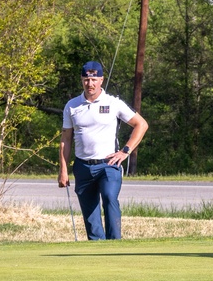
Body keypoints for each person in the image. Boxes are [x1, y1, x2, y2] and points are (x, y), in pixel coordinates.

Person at [58, 61, 149, 240]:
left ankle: (115, 244)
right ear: (82, 80)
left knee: (109, 197)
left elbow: (141, 124)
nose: (90, 84)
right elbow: (65, 139)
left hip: (109, 164)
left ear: (101, 80)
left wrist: (125, 151)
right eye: (86, 79)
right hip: (83, 166)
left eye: (94, 79)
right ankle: (97, 252)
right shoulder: (72, 105)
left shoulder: (113, 103)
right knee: (91, 217)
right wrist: (63, 169)